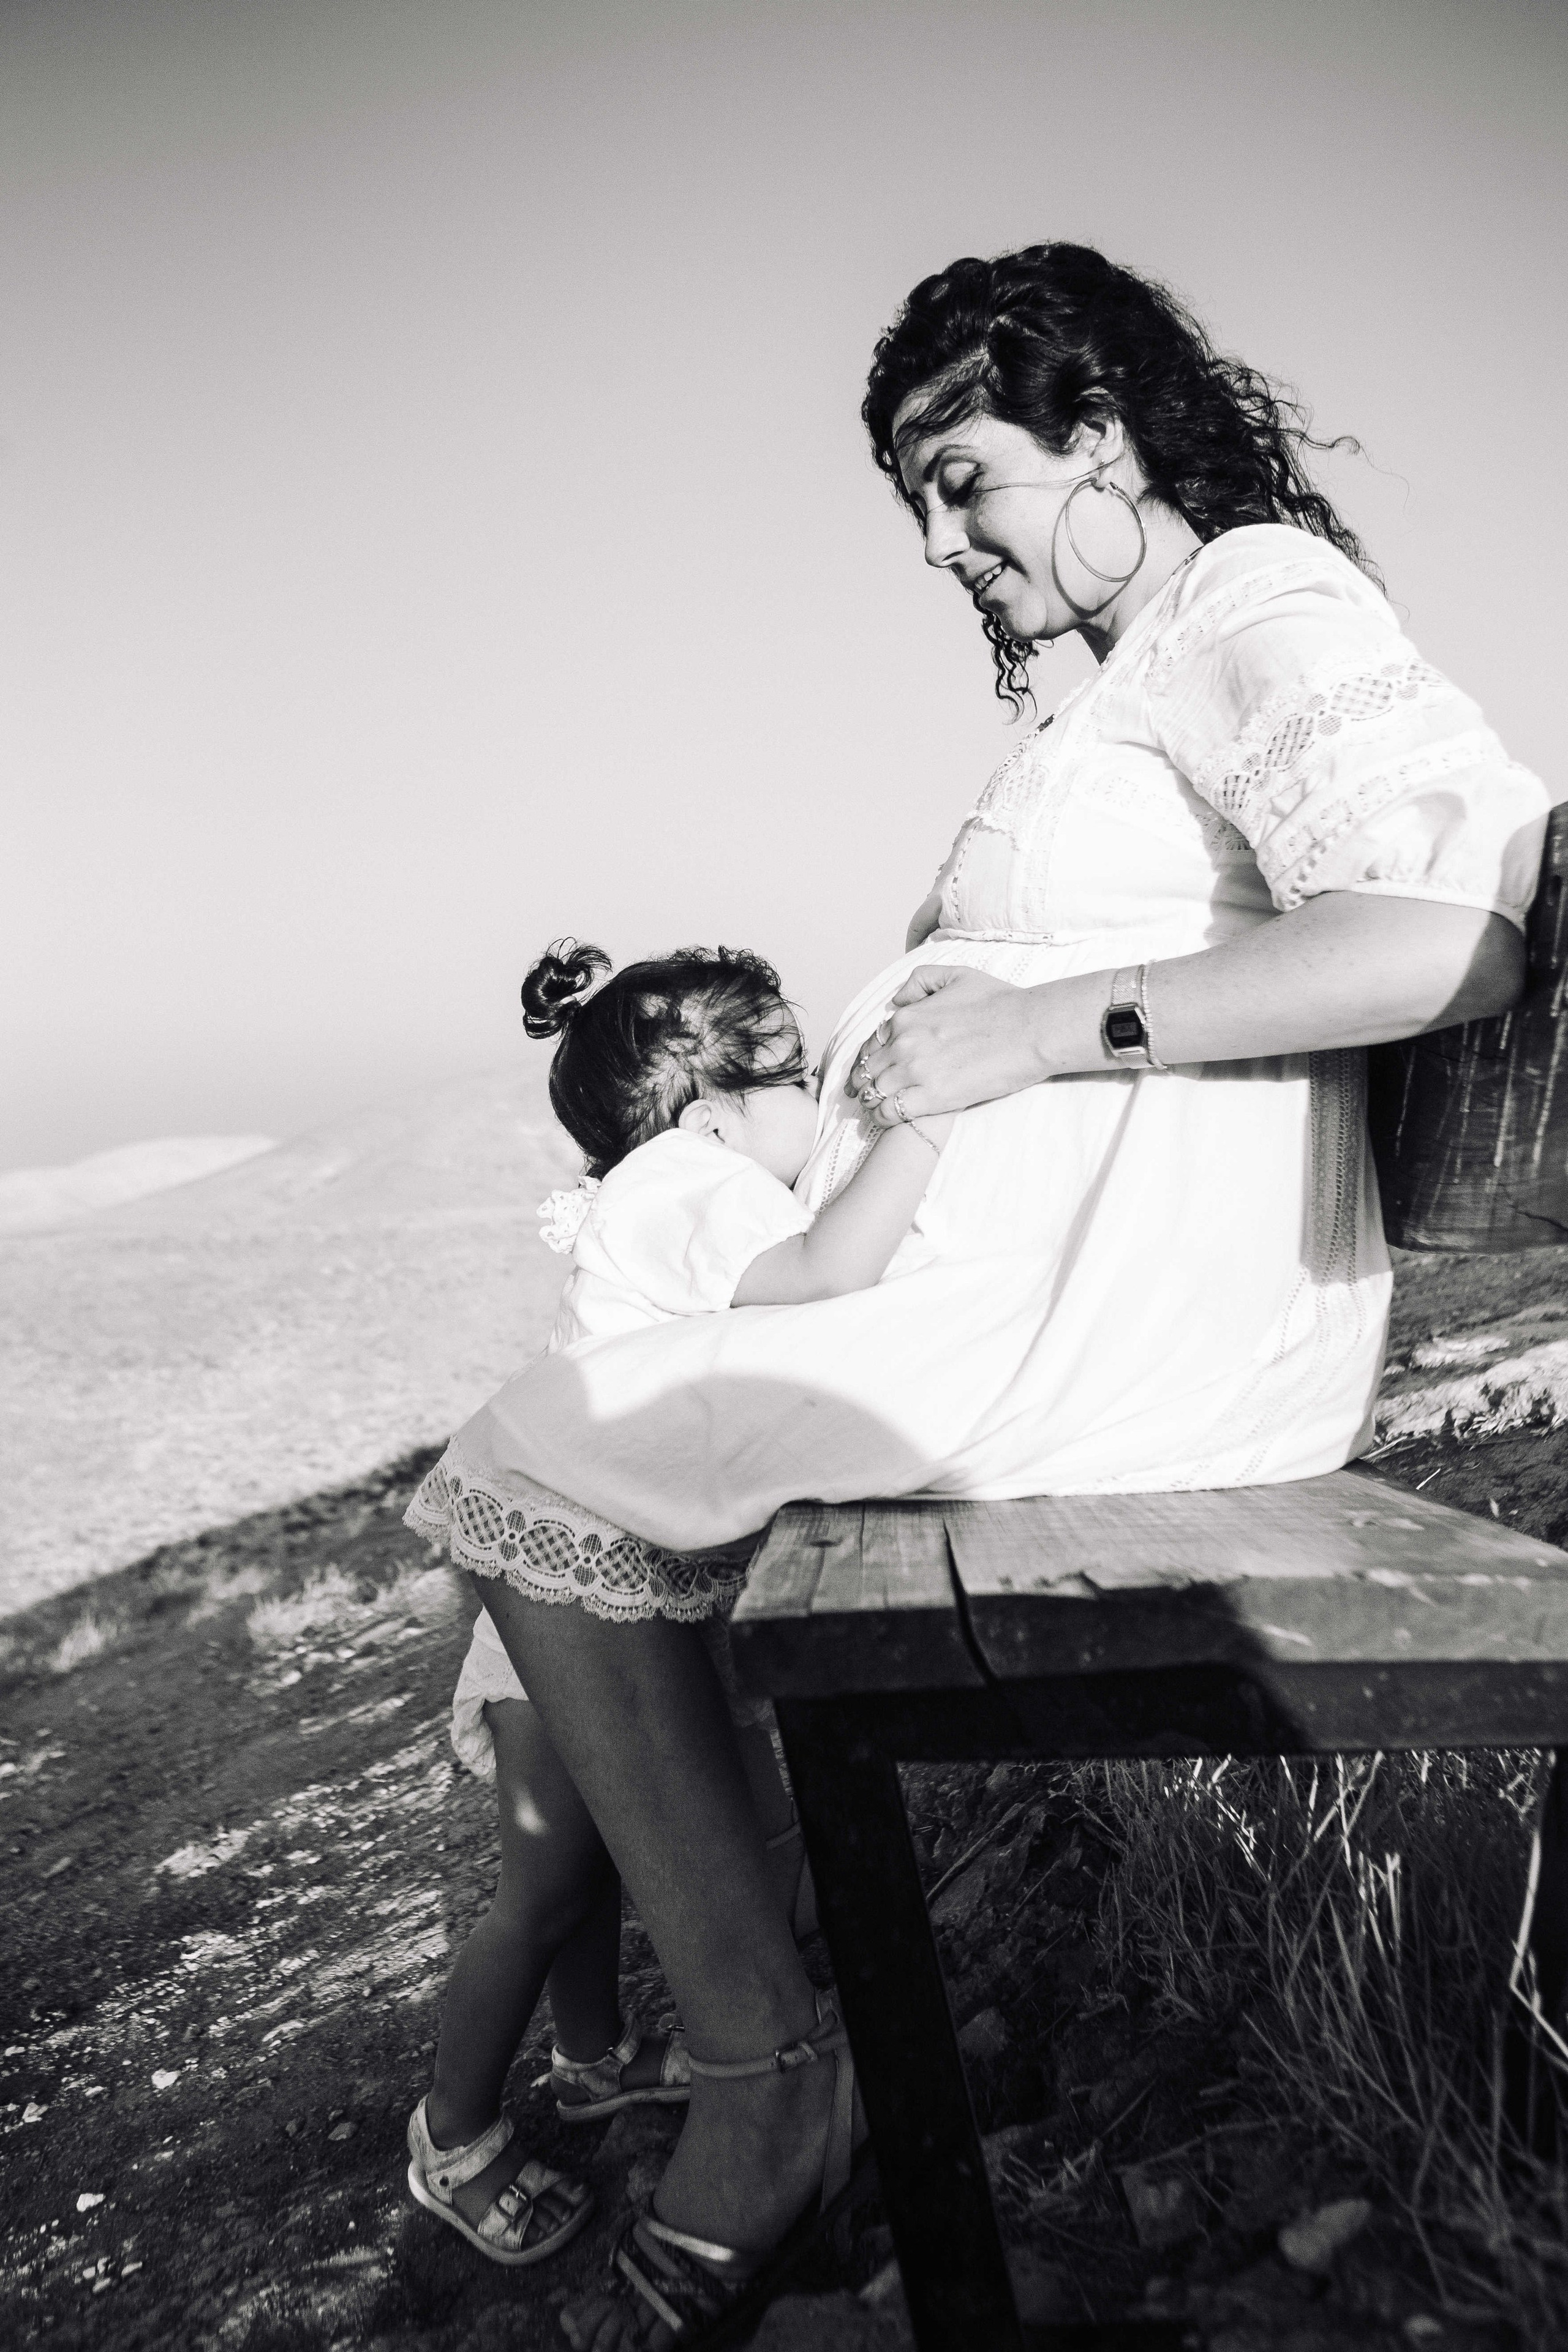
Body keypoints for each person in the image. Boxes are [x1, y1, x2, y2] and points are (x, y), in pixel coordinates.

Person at [417, 244, 1551, 2350]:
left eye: (967, 483)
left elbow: (1436, 943)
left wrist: (1030, 1039)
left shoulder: (1254, 605)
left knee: (548, 1457)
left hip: (1154, 1332)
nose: (944, 544)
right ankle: (769, 2053)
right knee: (568, 1449)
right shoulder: (1116, 672)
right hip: (1060, 1291)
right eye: (918, 510)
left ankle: (767, 2080)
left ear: (1105, 436)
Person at [404, 939, 948, 2266]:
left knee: (588, 1879)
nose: (824, 1105)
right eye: (803, 1079)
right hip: (557, 1615)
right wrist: (926, 1119)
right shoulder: (686, 1182)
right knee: (540, 1894)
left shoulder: (670, 1179)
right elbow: (824, 1272)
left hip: (599, 1583)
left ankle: (592, 2061)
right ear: (713, 1112)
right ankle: (450, 2135)